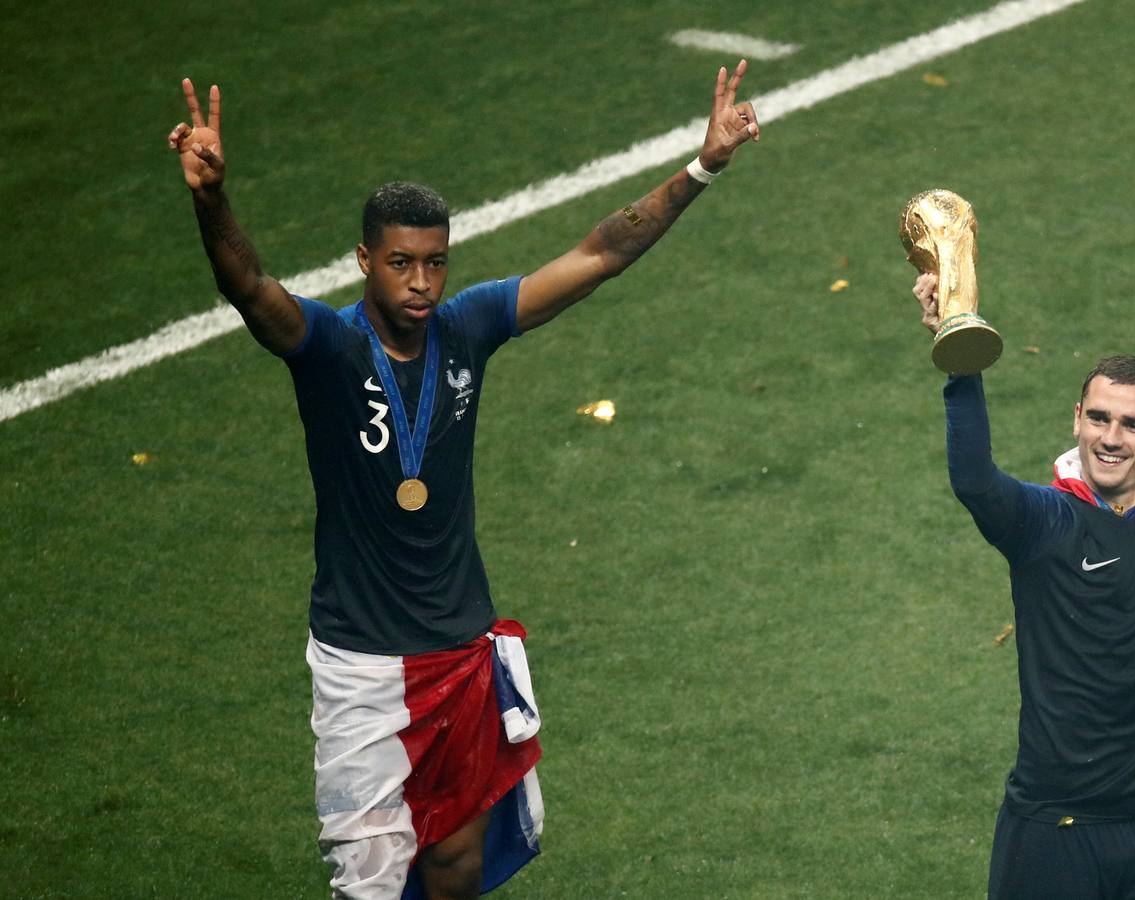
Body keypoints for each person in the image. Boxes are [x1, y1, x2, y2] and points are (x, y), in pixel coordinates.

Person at [168, 63, 759, 900]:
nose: (419, 284)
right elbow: (249, 288)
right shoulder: (329, 352)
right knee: (367, 886)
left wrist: (702, 169)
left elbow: (600, 253)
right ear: (363, 260)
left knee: (455, 865)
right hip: (363, 668)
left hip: (461, 653)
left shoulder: (468, 326)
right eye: (401, 263)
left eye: (435, 263)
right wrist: (211, 199)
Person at [915, 226, 1135, 899]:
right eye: (1099, 418)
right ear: (1077, 417)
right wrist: (959, 358)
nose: (1111, 438)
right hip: (1053, 832)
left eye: (1132, 424)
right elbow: (972, 479)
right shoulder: (1040, 522)